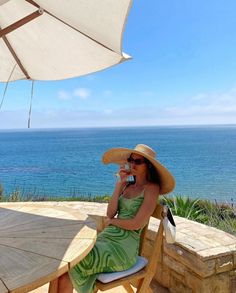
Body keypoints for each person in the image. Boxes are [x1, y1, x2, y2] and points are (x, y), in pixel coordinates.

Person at [57, 144, 175, 293]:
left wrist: (113, 222)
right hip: (107, 239)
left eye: (138, 161)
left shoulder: (152, 188)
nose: (132, 164)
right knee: (66, 264)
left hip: (123, 249)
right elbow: (110, 213)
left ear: (148, 166)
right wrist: (119, 184)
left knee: (72, 266)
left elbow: (137, 224)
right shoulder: (127, 185)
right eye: (131, 160)